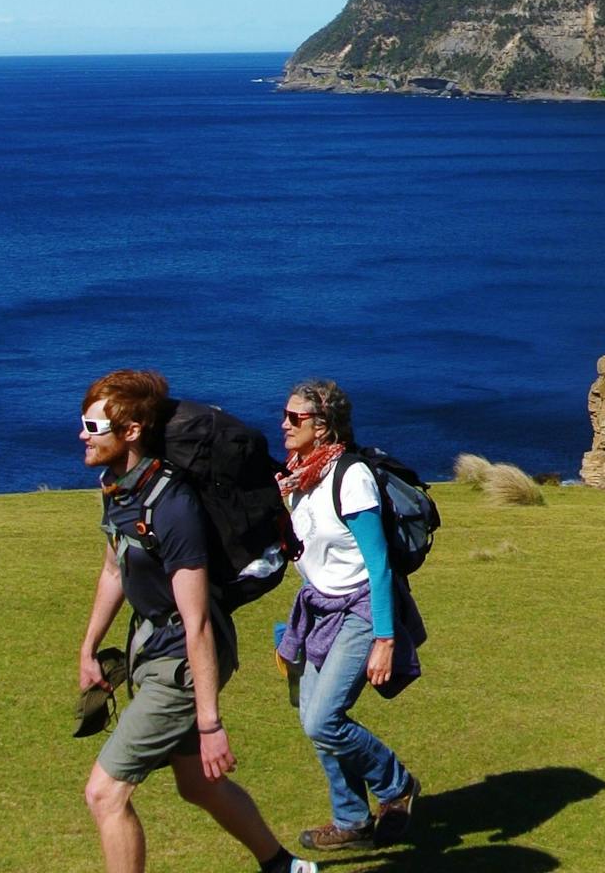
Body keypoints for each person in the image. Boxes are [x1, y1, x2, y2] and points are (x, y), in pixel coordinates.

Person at [76, 369, 313, 873]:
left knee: (104, 793)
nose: (82, 435)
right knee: (198, 784)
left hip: (182, 660)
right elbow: (113, 565)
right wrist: (88, 646)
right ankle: (283, 866)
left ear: (132, 431)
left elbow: (198, 620)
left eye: (94, 428)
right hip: (152, 648)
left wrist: (211, 724)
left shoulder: (173, 506)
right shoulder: (117, 486)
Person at [275, 378, 424, 852]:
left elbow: (377, 567)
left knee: (323, 719)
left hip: (360, 608)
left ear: (322, 427)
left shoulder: (351, 477)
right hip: (319, 608)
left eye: (295, 418)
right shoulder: (299, 477)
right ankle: (352, 820)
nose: (284, 424)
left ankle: (396, 785)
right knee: (313, 720)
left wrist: (385, 639)